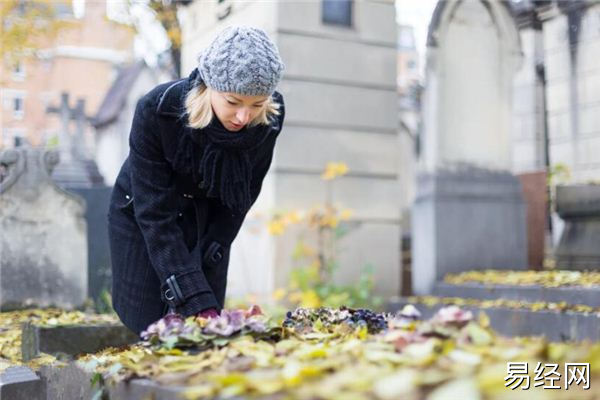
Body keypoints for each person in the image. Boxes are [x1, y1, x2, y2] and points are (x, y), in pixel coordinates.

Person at [107, 26, 285, 336]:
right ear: (209, 86)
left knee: (206, 322)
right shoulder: (156, 110)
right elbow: (154, 216)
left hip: (210, 214)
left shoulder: (268, 119)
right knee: (148, 321)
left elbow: (241, 198)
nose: (244, 117)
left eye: (256, 104)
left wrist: (204, 279)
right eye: (233, 102)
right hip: (144, 212)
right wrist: (190, 294)